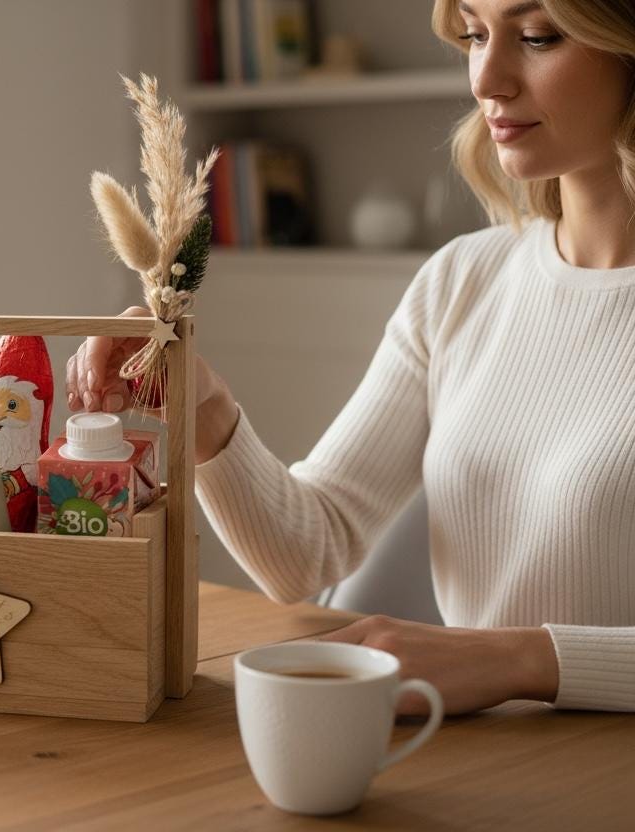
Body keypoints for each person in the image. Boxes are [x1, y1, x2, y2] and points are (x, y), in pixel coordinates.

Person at [67, 0, 635, 715]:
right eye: (473, 35)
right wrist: (205, 407)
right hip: (476, 771)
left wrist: (522, 660)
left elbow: (511, 660)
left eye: (535, 37)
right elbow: (308, 551)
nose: (486, 78)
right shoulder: (463, 280)